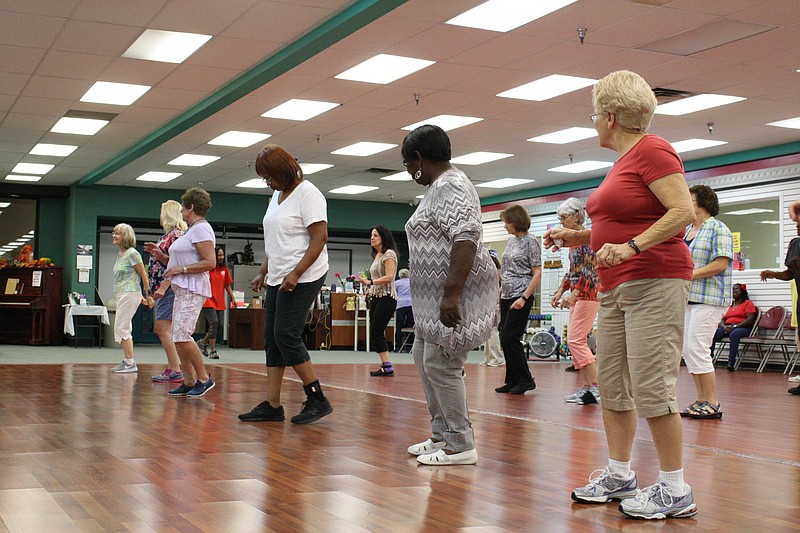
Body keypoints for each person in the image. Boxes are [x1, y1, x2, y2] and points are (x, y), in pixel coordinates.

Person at [544, 70, 697, 519]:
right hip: (615, 288)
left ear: (609, 117)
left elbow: (683, 211)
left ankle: (675, 488)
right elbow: (628, 218)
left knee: (652, 387)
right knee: (613, 386)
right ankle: (619, 473)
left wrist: (630, 247)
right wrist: (582, 238)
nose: (594, 122)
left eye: (595, 114)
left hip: (654, 280)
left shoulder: (653, 149)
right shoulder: (625, 160)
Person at [402, 124, 499, 466]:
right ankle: (442, 435)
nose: (409, 172)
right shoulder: (437, 187)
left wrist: (450, 295)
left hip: (455, 294)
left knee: (441, 364)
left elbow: (466, 236)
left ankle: (460, 444)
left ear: (418, 158)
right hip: (431, 302)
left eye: (407, 164)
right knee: (424, 358)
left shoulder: (451, 185)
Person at [238, 144, 333, 424]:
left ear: (283, 170)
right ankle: (273, 404)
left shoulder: (309, 194)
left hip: (305, 274)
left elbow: (320, 239)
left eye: (270, 176)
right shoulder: (276, 196)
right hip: (279, 275)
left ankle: (317, 397)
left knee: (285, 334)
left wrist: (296, 273)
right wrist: (263, 271)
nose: (268, 183)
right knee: (271, 338)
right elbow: (275, 240)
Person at [157, 187, 217, 398]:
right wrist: (163, 258)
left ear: (191, 207)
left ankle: (204, 378)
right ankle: (189, 380)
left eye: (183, 207)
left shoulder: (201, 229)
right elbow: (181, 260)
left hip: (193, 289)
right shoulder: (192, 230)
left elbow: (210, 262)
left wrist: (181, 269)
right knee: (177, 336)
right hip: (182, 288)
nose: (181, 212)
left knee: (183, 334)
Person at [680, 185, 733, 419]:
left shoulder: (718, 228)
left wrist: (689, 274)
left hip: (711, 298)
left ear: (702, 203)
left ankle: (712, 402)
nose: (685, 202)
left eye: (689, 199)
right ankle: (701, 399)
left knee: (698, 347)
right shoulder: (687, 230)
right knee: (688, 349)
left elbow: (721, 263)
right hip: (689, 299)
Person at [550, 198, 601, 405]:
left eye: (564, 217)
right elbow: (573, 271)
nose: (562, 221)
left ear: (577, 216)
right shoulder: (573, 242)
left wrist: (573, 294)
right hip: (579, 295)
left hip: (588, 295)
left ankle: (595, 388)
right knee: (578, 340)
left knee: (576, 340)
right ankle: (588, 387)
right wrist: (560, 291)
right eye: (559, 218)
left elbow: (589, 271)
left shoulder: (586, 240)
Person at [494, 204, 541, 395]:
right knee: (503, 337)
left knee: (510, 336)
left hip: (521, 293)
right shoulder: (511, 241)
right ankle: (512, 379)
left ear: (516, 222)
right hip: (506, 293)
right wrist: (500, 290)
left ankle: (526, 379)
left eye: (507, 222)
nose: (505, 226)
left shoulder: (531, 242)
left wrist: (524, 297)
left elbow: (537, 272)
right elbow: (506, 270)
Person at [143, 200, 187, 383]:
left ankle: (175, 368)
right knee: (164, 329)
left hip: (169, 288)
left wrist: (163, 286)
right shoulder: (168, 235)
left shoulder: (176, 235)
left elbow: (175, 265)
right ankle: (174, 367)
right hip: (163, 288)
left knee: (163, 329)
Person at [760, 199, 800, 394]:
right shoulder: (795, 244)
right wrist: (773, 274)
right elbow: (790, 273)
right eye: (796, 222)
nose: (797, 225)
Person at [358, 226, 399, 376]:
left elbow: (389, 277)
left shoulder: (389, 254)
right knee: (375, 331)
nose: (372, 238)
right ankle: (385, 365)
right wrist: (370, 290)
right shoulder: (377, 255)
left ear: (383, 237)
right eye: (371, 235)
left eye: (375, 235)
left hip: (387, 297)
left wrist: (370, 283)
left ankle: (387, 366)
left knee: (377, 331)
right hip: (376, 296)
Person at [110, 223, 150, 373]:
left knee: (122, 327)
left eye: (118, 233)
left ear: (126, 237)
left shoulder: (133, 253)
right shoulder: (120, 254)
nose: (114, 236)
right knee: (122, 327)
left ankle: (130, 363)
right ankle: (127, 361)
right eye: (114, 233)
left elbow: (143, 274)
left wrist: (146, 294)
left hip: (129, 293)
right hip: (124, 294)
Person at [198, 246, 236, 359]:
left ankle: (202, 342)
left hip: (219, 301)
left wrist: (233, 298)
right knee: (213, 322)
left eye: (222, 255)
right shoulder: (208, 268)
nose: (221, 257)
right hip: (208, 300)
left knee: (219, 324)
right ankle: (213, 350)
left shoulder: (224, 268)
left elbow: (227, 285)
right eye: (219, 255)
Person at [710, 283, 757, 371]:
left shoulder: (747, 303)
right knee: (714, 332)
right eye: (733, 289)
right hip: (728, 327)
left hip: (743, 328)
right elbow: (722, 318)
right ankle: (709, 358)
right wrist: (724, 326)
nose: (734, 291)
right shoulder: (729, 304)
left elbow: (750, 319)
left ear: (742, 291)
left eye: (737, 289)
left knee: (734, 334)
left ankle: (731, 361)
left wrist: (735, 326)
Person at [480, 251, 504, 367]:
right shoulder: (486, 271)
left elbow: (502, 286)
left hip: (494, 303)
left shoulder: (499, 272)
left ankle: (497, 358)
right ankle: (488, 358)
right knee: (486, 332)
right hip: (486, 303)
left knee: (493, 331)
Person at [394, 268, 414, 353]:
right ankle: (409, 347)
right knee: (411, 325)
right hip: (411, 304)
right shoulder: (412, 282)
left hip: (400, 304)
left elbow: (394, 293)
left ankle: (398, 346)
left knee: (399, 325)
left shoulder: (396, 283)